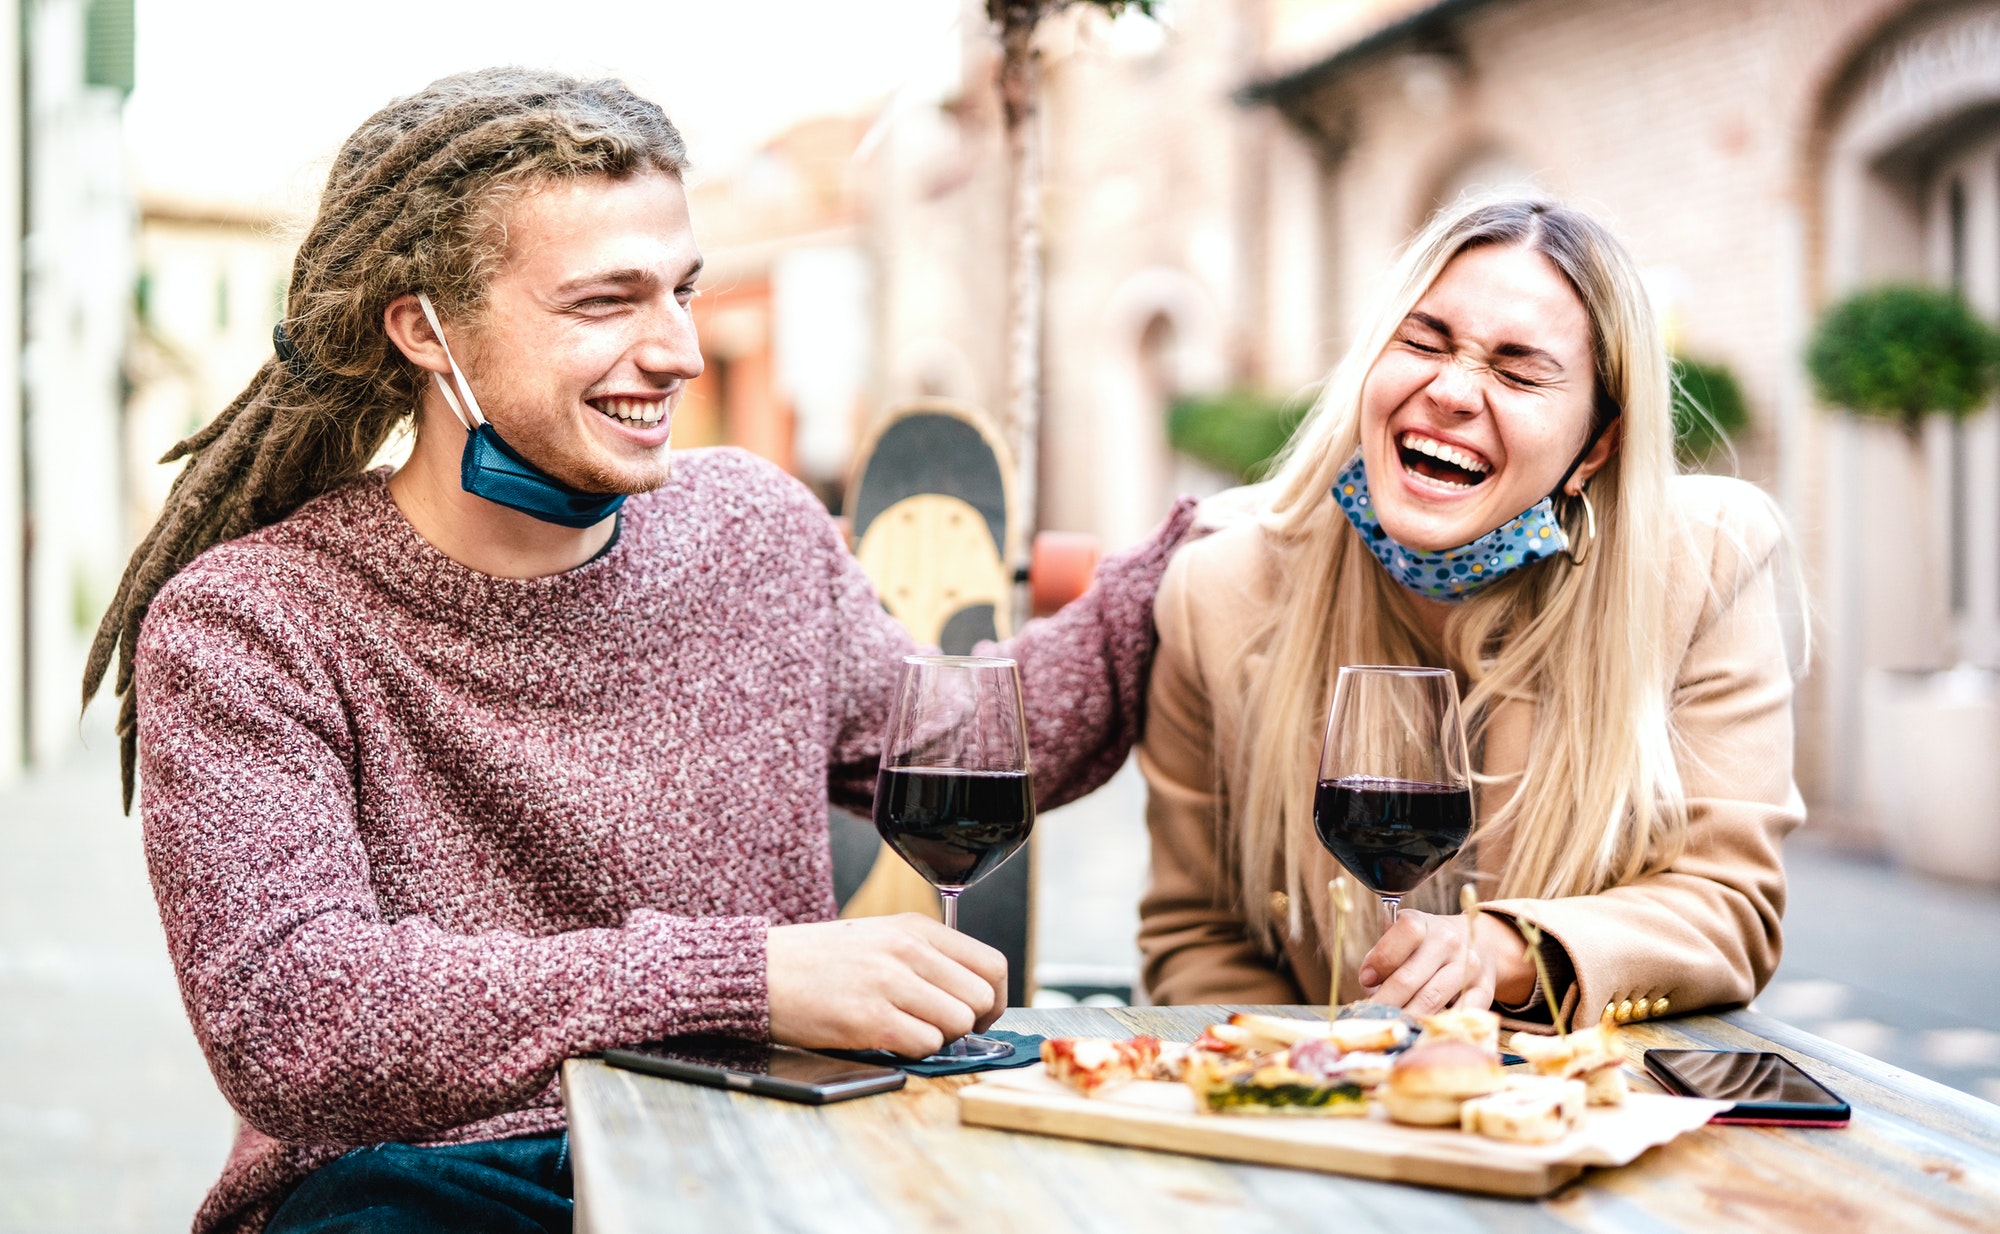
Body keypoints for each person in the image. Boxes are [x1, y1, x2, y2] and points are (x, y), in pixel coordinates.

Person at [83, 70, 1193, 1234]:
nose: (677, 352)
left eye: (682, 290)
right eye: (607, 302)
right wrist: (747, 976)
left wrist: (1201, 555)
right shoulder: (252, 621)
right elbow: (296, 1020)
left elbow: (962, 756)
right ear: (423, 327)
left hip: (750, 1150)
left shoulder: (753, 531)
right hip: (423, 1191)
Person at [1137, 197, 1803, 1033]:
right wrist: (1309, 1086)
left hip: (1574, 1119)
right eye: (1423, 341)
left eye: (1520, 371)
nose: (1451, 390)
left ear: (1595, 446)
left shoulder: (1705, 561)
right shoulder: (1218, 589)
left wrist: (1505, 952)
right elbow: (1196, 935)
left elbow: (1727, 908)